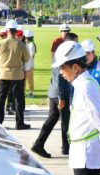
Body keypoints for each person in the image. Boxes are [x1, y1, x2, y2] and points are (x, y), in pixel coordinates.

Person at [52, 40, 100, 175]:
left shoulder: (86, 86)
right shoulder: (82, 84)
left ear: (75, 67)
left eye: (63, 68)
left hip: (87, 153)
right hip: (83, 152)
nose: (61, 73)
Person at [31, 24, 71, 158]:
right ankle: (66, 147)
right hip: (60, 93)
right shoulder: (63, 56)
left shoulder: (59, 54)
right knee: (65, 120)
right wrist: (61, 97)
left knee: (52, 118)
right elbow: (60, 77)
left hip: (52, 91)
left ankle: (39, 143)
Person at [0, 20, 30, 130]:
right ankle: (19, 123)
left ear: (7, 30)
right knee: (19, 99)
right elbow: (27, 59)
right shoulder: (21, 44)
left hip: (3, 74)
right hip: (17, 75)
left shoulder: (0, 43)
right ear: (16, 31)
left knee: (1, 98)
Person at [24, 29, 36, 98]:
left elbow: (30, 55)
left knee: (30, 80)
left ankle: (31, 93)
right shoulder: (27, 44)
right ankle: (23, 92)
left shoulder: (31, 45)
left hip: (30, 65)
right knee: (24, 80)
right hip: (26, 65)